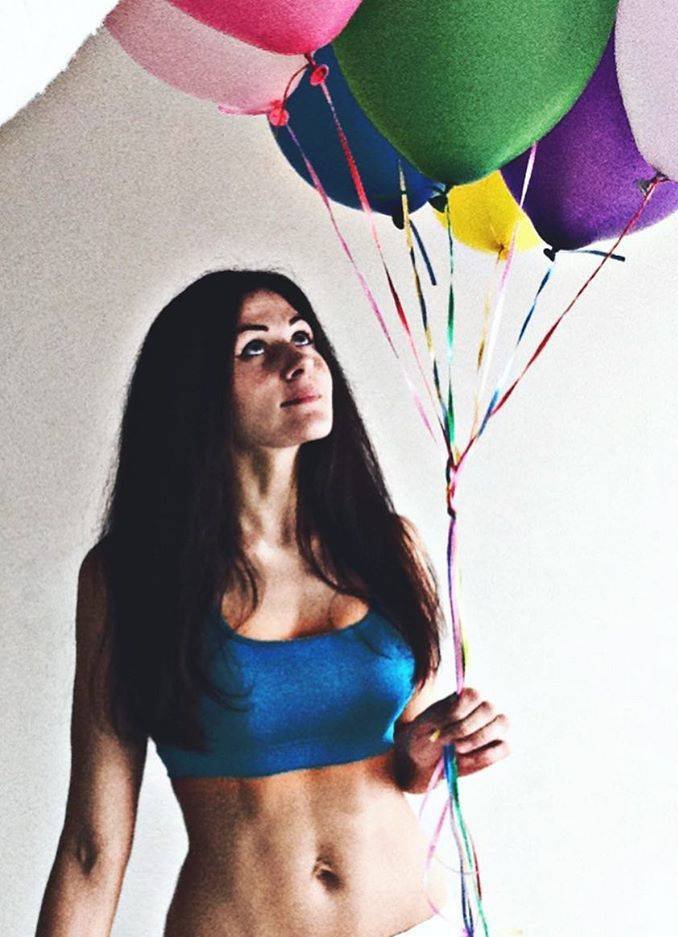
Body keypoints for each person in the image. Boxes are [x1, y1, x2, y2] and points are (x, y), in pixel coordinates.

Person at [35, 269, 511, 937]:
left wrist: (439, 745)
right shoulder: (131, 577)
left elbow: (407, 759)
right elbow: (92, 847)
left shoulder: (389, 545)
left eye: (303, 336)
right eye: (254, 347)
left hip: (418, 922)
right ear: (193, 389)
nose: (299, 360)